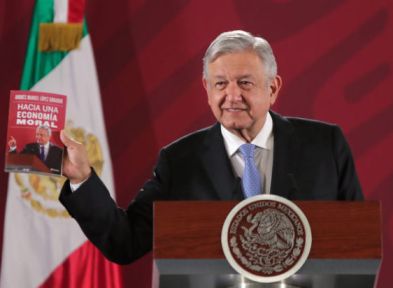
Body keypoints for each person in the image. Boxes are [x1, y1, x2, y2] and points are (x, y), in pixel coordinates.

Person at [59, 30, 363, 265]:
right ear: (206, 89)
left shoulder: (325, 146)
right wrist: (81, 179)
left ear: (273, 89)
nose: (232, 96)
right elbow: (124, 242)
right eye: (220, 84)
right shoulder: (179, 162)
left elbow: (359, 243)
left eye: (245, 83)